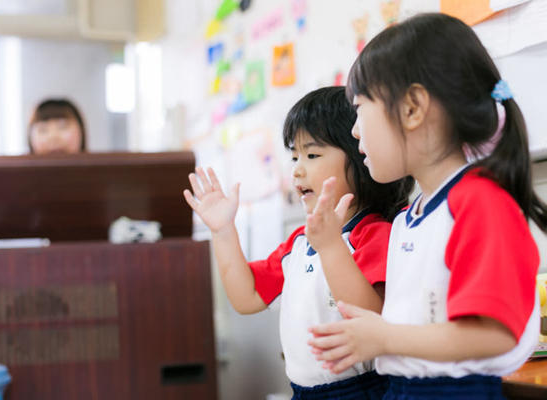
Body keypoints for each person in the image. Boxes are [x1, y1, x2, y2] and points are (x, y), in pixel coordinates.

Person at [308, 13, 547, 399]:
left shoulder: (478, 202)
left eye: (360, 107)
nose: (355, 130)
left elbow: (495, 334)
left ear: (413, 108)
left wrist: (385, 336)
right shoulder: (411, 216)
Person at [183, 86, 413, 399]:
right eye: (294, 156)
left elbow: (371, 317)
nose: (297, 169)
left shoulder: (374, 233)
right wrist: (223, 231)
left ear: (361, 156)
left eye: (312, 155)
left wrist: (332, 246)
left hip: (357, 391)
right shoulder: (301, 241)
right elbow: (247, 296)